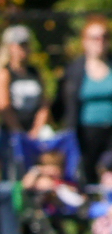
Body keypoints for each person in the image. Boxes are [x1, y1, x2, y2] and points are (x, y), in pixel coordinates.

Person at [60, 17, 112, 185]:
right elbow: (62, 103)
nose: (100, 42)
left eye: (104, 37)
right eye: (94, 38)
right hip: (86, 134)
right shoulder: (74, 70)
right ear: (84, 41)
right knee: (87, 178)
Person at [0, 25, 49, 169]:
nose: (23, 49)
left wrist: (36, 130)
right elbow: (3, 106)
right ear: (10, 47)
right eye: (19, 45)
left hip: (34, 133)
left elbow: (44, 104)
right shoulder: (4, 73)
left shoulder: (35, 72)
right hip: (11, 135)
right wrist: (19, 132)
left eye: (26, 45)